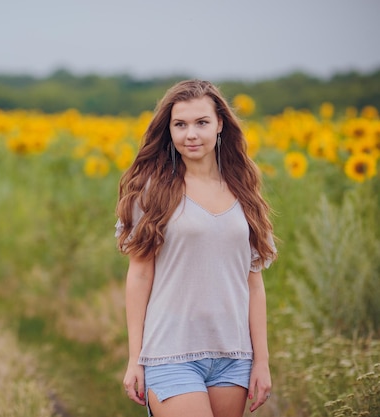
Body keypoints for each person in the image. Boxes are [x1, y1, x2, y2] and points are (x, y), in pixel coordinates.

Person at [115, 80, 276, 417]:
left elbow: (253, 283)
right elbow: (140, 275)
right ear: (169, 130)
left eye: (201, 122)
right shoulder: (153, 193)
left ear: (220, 124)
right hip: (169, 354)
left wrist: (261, 361)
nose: (191, 134)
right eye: (180, 124)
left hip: (233, 357)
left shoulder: (244, 193)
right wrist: (135, 359)